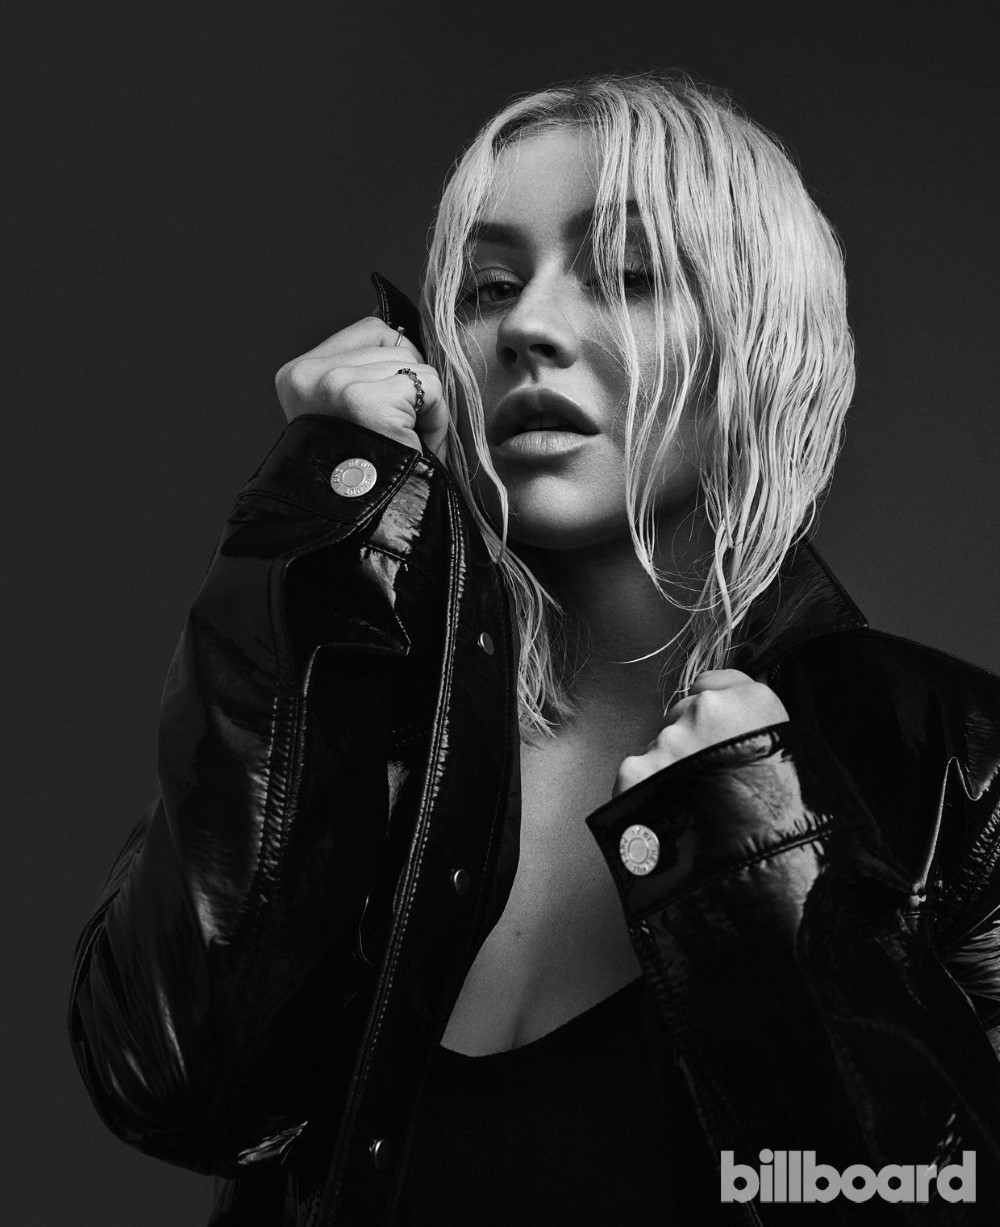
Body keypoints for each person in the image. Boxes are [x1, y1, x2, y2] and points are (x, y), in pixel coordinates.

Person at [69, 72, 1000, 1225]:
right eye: (490, 287)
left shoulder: (954, 770)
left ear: (762, 340)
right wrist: (305, 530)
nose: (527, 328)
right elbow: (170, 1087)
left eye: (630, 275)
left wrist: (763, 879)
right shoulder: (359, 712)